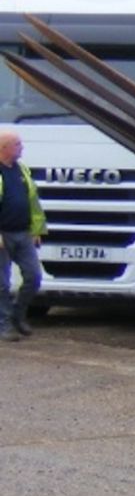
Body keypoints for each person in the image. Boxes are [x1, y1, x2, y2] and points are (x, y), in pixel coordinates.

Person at [0, 128, 46, 341]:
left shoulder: (22, 170)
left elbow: (33, 204)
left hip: (23, 233)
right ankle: (4, 324)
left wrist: (36, 230)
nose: (22, 148)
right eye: (18, 144)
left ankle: (18, 315)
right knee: (2, 283)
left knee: (33, 276)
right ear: (4, 148)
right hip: (3, 235)